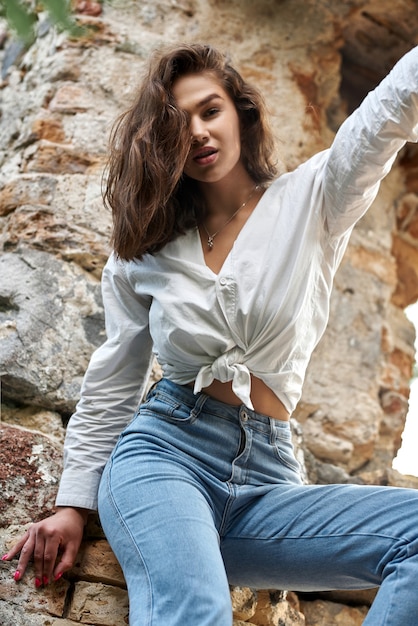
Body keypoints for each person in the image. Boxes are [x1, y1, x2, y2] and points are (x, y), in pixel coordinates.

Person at [2, 42, 418, 625]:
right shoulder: (142, 255)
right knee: (197, 610)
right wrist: (74, 503)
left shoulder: (315, 197)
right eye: (176, 123)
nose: (196, 131)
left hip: (270, 479)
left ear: (241, 113)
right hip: (164, 456)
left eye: (210, 109)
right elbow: (114, 378)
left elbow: (387, 112)